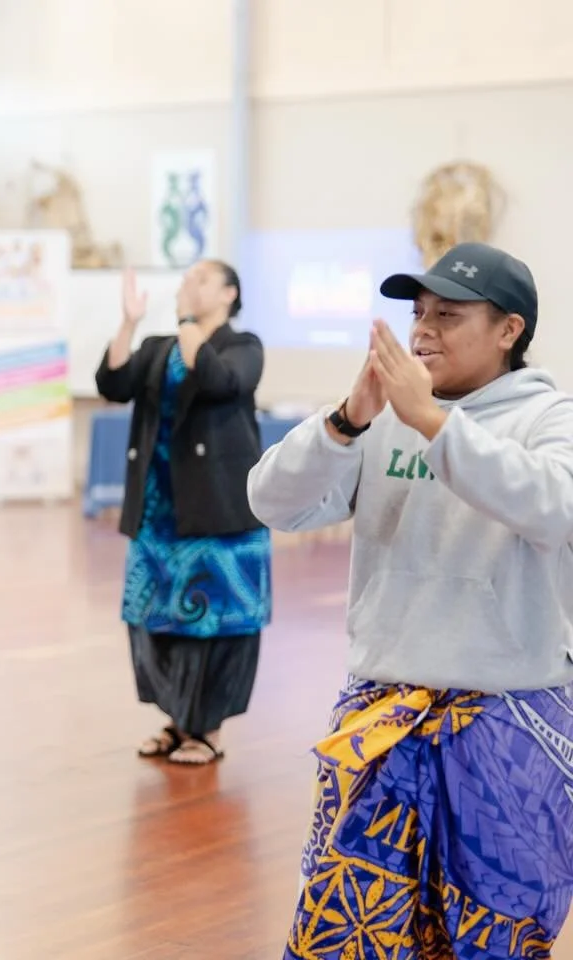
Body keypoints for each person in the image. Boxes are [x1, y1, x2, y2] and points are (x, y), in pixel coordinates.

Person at [247, 242, 573, 957]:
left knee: (493, 941)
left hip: (508, 726)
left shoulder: (551, 418)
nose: (423, 330)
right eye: (418, 313)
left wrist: (434, 424)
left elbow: (556, 507)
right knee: (347, 934)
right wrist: (346, 421)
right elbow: (273, 502)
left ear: (509, 330)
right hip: (381, 718)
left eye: (448, 316)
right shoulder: (381, 419)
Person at [94, 261, 270, 765]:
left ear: (229, 294)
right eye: (186, 280)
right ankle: (176, 722)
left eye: (201, 280)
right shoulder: (159, 347)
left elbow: (214, 379)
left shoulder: (244, 346)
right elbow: (112, 382)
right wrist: (129, 322)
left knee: (216, 623)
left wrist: (190, 323)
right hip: (159, 511)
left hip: (218, 512)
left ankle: (207, 730)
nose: (187, 285)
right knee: (156, 619)